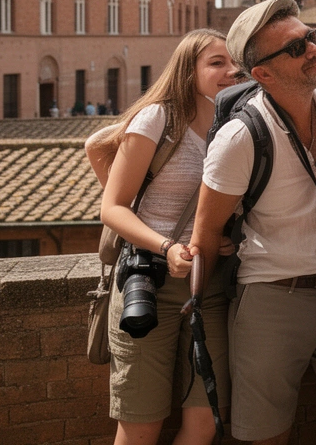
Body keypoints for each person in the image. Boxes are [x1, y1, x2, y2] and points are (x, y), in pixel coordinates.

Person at [188, 0, 316, 445]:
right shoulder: (240, 138)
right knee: (266, 435)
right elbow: (206, 231)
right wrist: (200, 311)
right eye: (296, 48)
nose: (314, 49)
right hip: (273, 301)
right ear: (262, 74)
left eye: (310, 37)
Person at [93, 28, 239, 445]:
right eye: (216, 63)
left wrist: (224, 236)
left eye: (234, 64)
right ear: (188, 70)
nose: (230, 71)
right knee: (141, 424)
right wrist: (166, 245)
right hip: (149, 281)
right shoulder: (159, 118)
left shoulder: (237, 124)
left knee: (207, 419)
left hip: (208, 286)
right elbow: (113, 207)